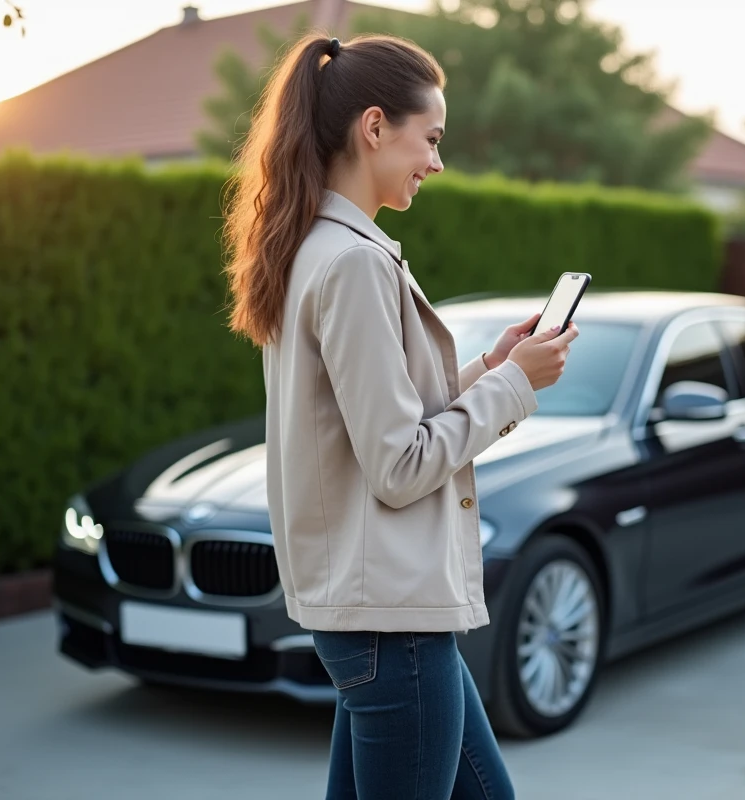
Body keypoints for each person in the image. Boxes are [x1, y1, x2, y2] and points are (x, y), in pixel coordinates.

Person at [221, 32, 578, 800]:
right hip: (394, 626)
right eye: (433, 138)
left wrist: (494, 367)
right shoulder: (353, 262)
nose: (438, 162)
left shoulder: (316, 248)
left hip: (381, 620)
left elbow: (381, 417)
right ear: (375, 127)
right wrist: (517, 386)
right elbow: (400, 464)